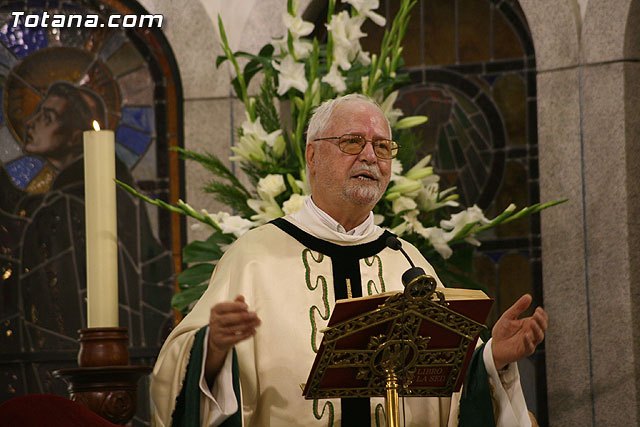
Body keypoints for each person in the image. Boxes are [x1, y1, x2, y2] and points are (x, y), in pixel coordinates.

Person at [150, 94, 548, 426]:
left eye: (382, 146)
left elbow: (451, 380)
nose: (370, 156)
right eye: (353, 142)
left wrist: (493, 356)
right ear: (312, 156)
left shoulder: (406, 261)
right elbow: (175, 375)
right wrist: (212, 350)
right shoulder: (253, 258)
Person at [0, 82, 173, 389]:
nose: (30, 123)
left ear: (75, 137)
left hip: (74, 372)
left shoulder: (75, 203)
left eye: (47, 117)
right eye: (37, 113)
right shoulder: (105, 196)